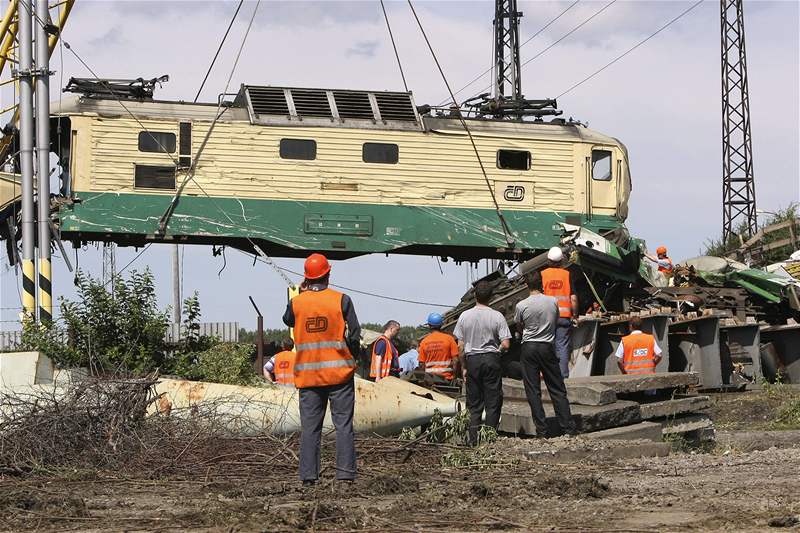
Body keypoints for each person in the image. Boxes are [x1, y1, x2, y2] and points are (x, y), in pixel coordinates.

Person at [282, 253, 361, 486]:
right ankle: (345, 476)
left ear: (307, 278)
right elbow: (355, 334)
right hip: (340, 375)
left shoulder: (297, 303)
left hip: (308, 378)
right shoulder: (342, 300)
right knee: (344, 426)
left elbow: (288, 319)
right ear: (328, 273)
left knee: (310, 429)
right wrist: (351, 356)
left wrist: (302, 291)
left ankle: (308, 478)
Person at [514, 270, 576, 437]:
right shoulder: (552, 301)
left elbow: (519, 326)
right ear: (541, 283)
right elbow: (555, 321)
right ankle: (568, 428)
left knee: (533, 390)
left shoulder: (521, 305)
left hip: (528, 347)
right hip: (547, 346)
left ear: (527, 285)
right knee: (557, 387)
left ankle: (542, 430)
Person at [453, 281, 511, 446]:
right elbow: (506, 344)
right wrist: (496, 352)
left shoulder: (465, 316)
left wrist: (464, 367)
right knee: (493, 401)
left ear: (475, 296)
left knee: (474, 403)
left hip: (473, 360)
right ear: (491, 297)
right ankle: (489, 439)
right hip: (491, 359)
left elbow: (460, 346)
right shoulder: (497, 316)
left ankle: (473, 440)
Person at [541, 246, 579, 378]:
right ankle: (563, 376)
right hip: (564, 316)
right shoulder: (567, 275)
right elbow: (573, 299)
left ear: (548, 260)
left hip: (547, 317)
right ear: (562, 261)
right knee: (562, 346)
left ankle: (548, 375)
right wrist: (575, 315)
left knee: (547, 345)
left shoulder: (543, 275)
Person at [418, 312, 460, 382]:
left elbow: (421, 364)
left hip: (430, 380)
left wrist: (423, 379)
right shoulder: (449, 339)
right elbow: (456, 360)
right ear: (441, 325)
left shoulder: (424, 342)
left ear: (429, 325)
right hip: (447, 379)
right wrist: (454, 377)